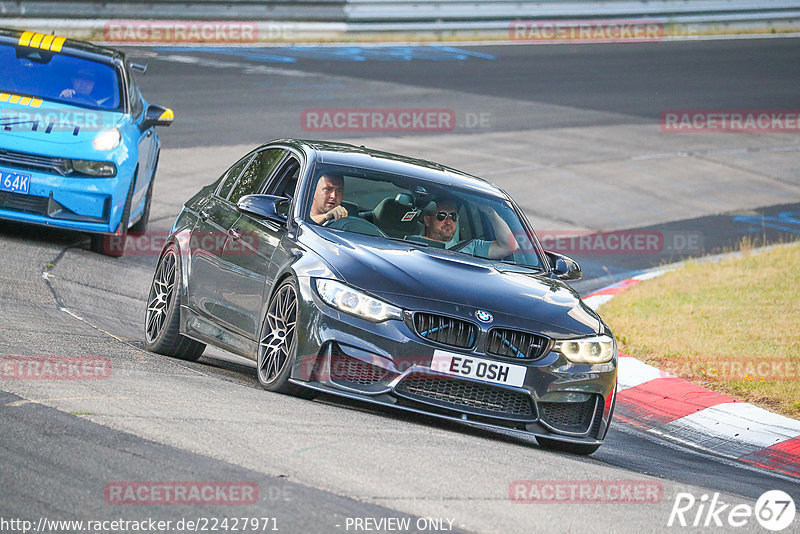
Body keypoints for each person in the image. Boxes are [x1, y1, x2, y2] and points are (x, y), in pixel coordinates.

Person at [421, 198, 517, 259]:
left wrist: (490, 212)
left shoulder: (472, 247)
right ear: (427, 220)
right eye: (442, 215)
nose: (448, 221)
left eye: (453, 216)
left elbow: (509, 246)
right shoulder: (411, 242)